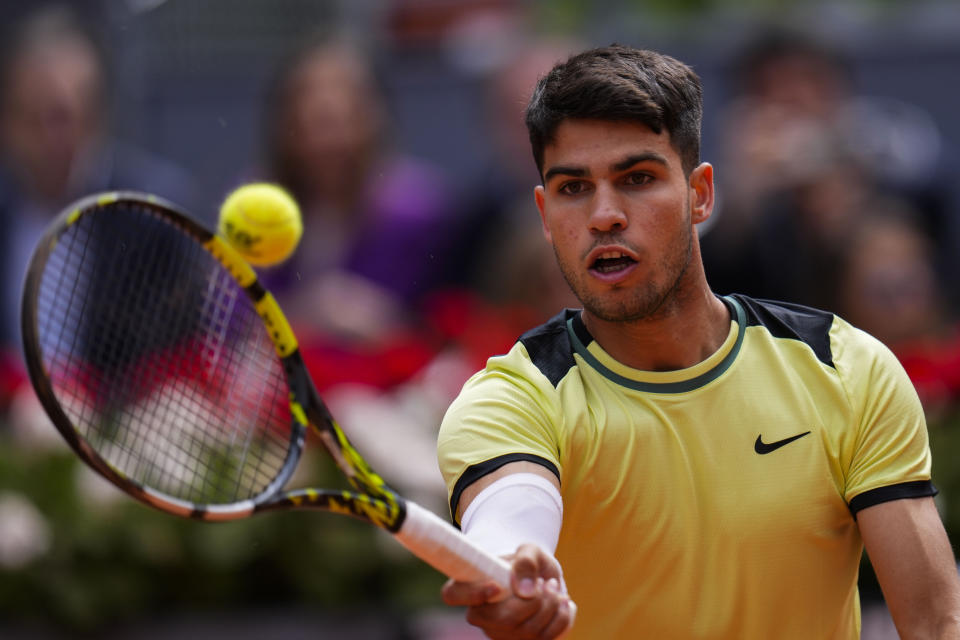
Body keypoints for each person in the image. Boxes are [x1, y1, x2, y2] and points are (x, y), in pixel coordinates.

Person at [436, 44, 960, 638]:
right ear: (544, 213)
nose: (604, 214)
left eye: (637, 179)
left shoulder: (846, 368)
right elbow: (510, 518)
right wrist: (513, 568)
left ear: (700, 194)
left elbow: (935, 624)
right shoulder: (509, 400)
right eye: (573, 188)